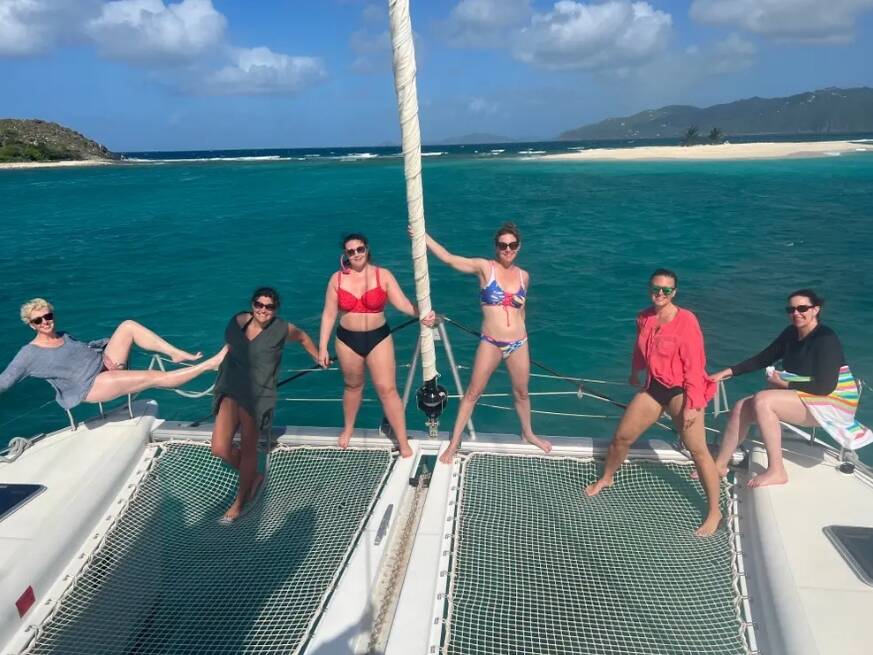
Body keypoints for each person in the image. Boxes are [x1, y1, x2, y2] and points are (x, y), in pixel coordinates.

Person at [585, 269, 722, 537]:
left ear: (674, 292)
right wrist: (635, 372)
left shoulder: (686, 321)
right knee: (621, 438)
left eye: (666, 290)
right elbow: (640, 349)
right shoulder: (645, 316)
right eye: (656, 288)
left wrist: (693, 404)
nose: (660, 294)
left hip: (682, 391)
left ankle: (714, 511)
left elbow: (695, 366)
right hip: (655, 388)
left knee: (698, 451)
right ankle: (607, 478)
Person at [419, 222, 552, 464]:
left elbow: (521, 311)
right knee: (473, 393)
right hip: (491, 342)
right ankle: (454, 443)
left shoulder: (524, 276)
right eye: (503, 245)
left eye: (512, 245)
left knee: (522, 393)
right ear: (496, 247)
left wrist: (520, 335)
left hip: (519, 343)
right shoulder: (484, 268)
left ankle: (528, 433)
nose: (507, 249)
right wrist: (422, 235)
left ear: (519, 247)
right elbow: (449, 259)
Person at [709, 289, 870, 487]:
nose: (796, 313)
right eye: (791, 309)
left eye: (802, 308)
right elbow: (764, 358)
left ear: (815, 309)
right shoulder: (791, 333)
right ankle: (719, 465)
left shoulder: (825, 338)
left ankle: (777, 470)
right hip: (807, 394)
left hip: (832, 402)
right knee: (739, 408)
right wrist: (726, 372)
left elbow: (825, 386)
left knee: (764, 400)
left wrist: (785, 384)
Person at [318, 233, 434, 457]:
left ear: (367, 249)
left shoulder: (383, 275)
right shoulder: (337, 279)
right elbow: (329, 314)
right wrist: (322, 347)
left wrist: (424, 314)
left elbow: (403, 304)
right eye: (351, 251)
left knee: (387, 389)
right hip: (347, 340)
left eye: (360, 249)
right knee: (352, 386)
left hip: (378, 338)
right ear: (345, 255)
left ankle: (402, 440)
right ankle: (348, 428)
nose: (356, 254)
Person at [210, 287, 318, 523]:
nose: (263, 310)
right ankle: (253, 476)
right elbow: (229, 347)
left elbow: (302, 337)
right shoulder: (238, 321)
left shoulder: (282, 329)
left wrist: (317, 356)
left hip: (258, 397)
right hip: (231, 391)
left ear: (275, 309)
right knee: (219, 448)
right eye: (259, 305)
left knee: (249, 450)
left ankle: (240, 501)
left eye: (269, 307)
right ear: (252, 305)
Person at [0, 298, 225, 411]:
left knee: (128, 326)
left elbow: (80, 352)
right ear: (31, 325)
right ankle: (210, 364)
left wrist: (103, 350)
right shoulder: (28, 354)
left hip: (104, 363)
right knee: (154, 377)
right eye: (38, 320)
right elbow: (5, 381)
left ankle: (175, 353)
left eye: (48, 316)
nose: (45, 322)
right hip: (91, 385)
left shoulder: (63, 335)